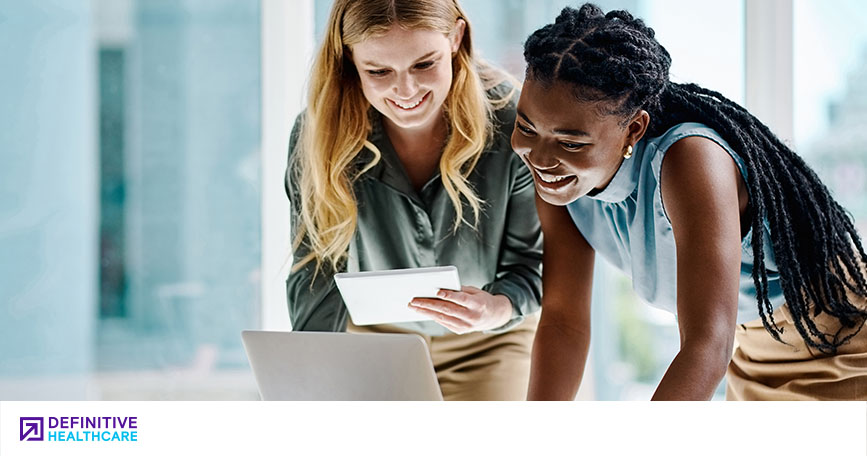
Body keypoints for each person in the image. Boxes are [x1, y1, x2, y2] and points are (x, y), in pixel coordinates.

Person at [513, 4, 867, 400]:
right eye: (527, 126)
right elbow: (564, 323)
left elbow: (706, 345)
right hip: (751, 347)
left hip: (840, 336)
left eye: (571, 142)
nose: (540, 158)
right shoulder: (557, 181)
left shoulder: (689, 159)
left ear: (634, 129)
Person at [284, 0, 542, 401]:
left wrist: (496, 308)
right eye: (378, 71)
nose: (405, 91)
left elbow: (533, 265)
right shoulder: (318, 133)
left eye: (425, 64)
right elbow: (316, 269)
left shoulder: (514, 122)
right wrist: (314, 373)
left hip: (490, 339)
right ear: (349, 57)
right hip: (374, 338)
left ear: (456, 38)